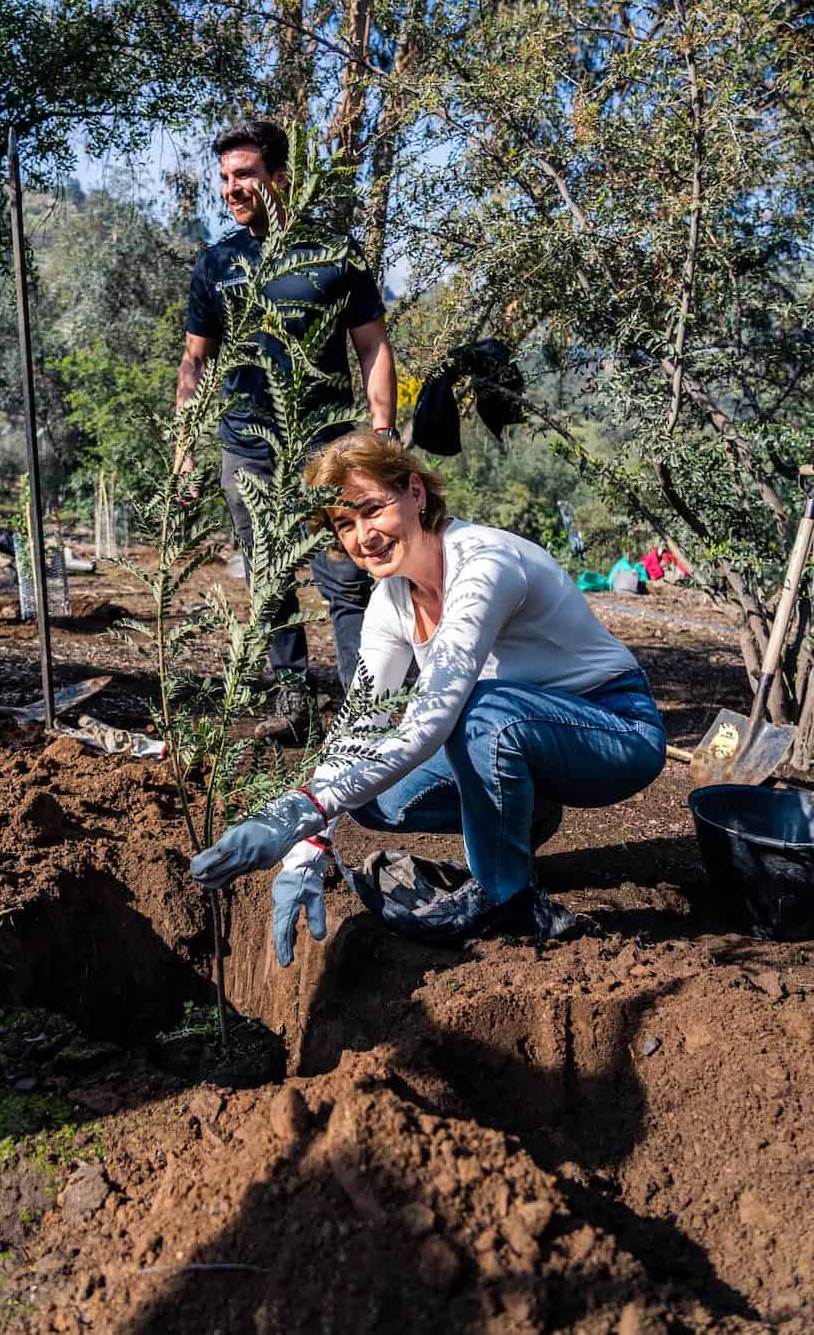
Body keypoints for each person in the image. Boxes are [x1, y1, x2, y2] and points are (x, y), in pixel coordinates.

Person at [190, 431, 667, 963]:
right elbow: (356, 731)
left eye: (372, 509)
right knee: (368, 793)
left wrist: (302, 808)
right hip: (521, 737)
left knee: (480, 713)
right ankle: (526, 817)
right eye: (344, 524)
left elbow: (433, 717)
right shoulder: (390, 601)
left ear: (415, 493)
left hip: (614, 729)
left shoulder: (484, 564)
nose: (363, 536)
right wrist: (306, 851)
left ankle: (509, 899)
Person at [178, 119, 399, 741]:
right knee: (268, 580)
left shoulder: (334, 254)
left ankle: (364, 716)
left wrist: (383, 432)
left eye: (244, 174)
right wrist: (183, 451)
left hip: (325, 450)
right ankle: (293, 707)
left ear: (279, 177)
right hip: (246, 448)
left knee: (346, 578)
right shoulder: (218, 263)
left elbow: (373, 346)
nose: (231, 188)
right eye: (225, 177)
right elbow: (194, 361)